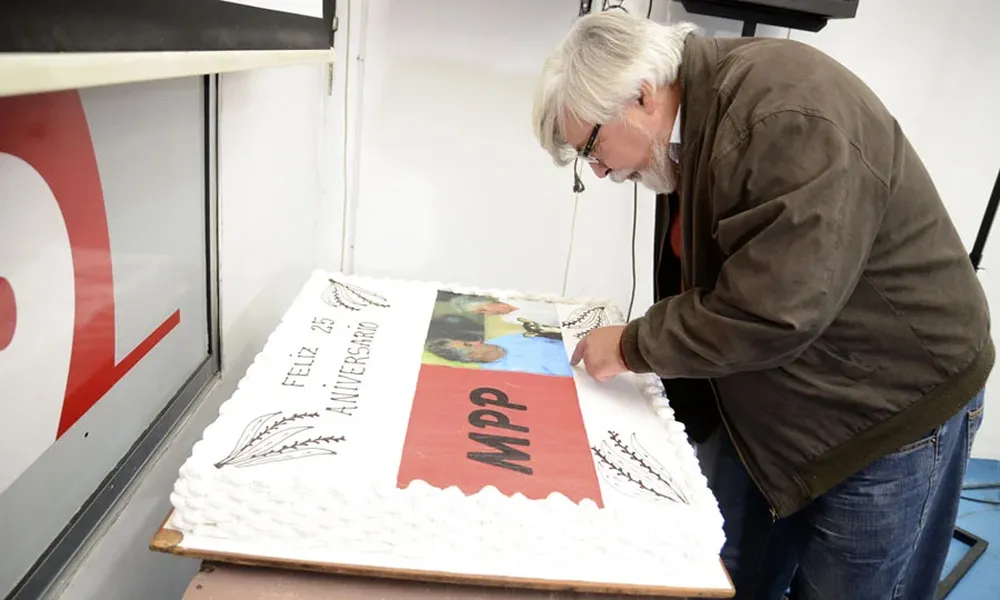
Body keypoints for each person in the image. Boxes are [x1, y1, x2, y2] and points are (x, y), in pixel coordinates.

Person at [531, 11, 991, 600]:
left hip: (890, 407)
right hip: (788, 389)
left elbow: (773, 310)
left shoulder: (782, 114)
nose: (599, 172)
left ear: (641, 95)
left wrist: (631, 345)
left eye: (592, 148)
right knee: (728, 572)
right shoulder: (686, 134)